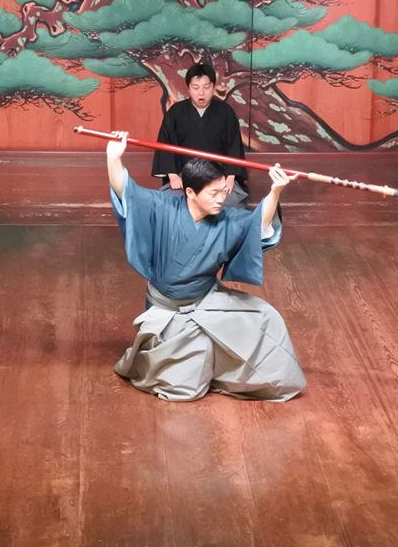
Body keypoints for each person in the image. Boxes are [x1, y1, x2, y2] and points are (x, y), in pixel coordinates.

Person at [107, 131, 306, 402]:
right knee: (186, 388)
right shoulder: (162, 207)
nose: (221, 199)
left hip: (206, 300)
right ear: (190, 192)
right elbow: (127, 192)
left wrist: (275, 191)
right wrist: (113, 158)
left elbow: (257, 223)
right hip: (168, 310)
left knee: (265, 318)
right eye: (213, 193)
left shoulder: (227, 220)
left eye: (223, 191)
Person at [151, 63, 249, 207]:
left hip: (218, 177)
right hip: (184, 178)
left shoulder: (226, 112)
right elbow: (166, 144)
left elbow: (234, 146)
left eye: (206, 87)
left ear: (213, 87)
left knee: (231, 201)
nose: (201, 93)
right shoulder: (175, 112)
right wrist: (172, 175)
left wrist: (230, 177)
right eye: (196, 87)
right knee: (170, 202)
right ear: (188, 89)